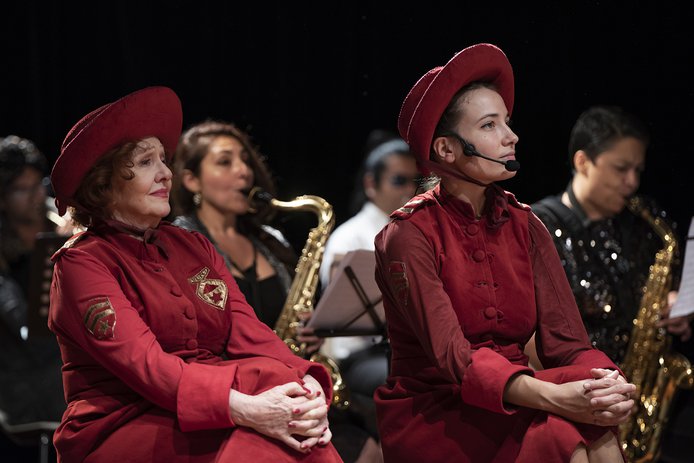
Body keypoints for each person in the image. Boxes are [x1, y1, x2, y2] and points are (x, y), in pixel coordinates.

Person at [372, 43, 637, 463]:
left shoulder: (525, 224)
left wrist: (609, 383)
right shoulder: (408, 234)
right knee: (565, 433)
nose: (511, 136)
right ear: (446, 149)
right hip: (436, 409)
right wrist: (554, 397)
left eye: (507, 122)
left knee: (595, 415)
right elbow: (454, 360)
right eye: (489, 125)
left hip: (521, 392)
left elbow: (568, 344)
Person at [47, 87, 342, 463]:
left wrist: (307, 383)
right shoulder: (81, 263)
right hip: (123, 421)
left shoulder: (192, 245)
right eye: (146, 162)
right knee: (274, 434)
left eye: (164, 160)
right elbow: (147, 367)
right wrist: (247, 409)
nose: (165, 173)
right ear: (102, 183)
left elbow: (248, 331)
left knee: (287, 401)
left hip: (211, 404)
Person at [170, 120, 379, 462]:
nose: (243, 171)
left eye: (245, 160)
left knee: (375, 433)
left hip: (287, 375)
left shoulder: (270, 241)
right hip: (239, 388)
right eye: (225, 162)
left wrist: (308, 332)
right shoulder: (182, 244)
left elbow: (293, 308)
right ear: (192, 180)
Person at [530, 105, 694, 463]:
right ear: (583, 162)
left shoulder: (641, 226)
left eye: (638, 170)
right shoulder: (537, 227)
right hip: (581, 393)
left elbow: (659, 292)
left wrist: (674, 306)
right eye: (621, 168)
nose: (632, 182)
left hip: (642, 391)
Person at [318, 129, 418, 443]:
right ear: (371, 184)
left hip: (396, 350)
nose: (409, 190)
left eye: (414, 182)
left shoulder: (410, 231)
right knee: (416, 379)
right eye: (399, 181)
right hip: (356, 357)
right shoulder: (349, 237)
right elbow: (342, 318)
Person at [0, 135, 69, 462]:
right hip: (24, 373)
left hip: (63, 359)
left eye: (38, 185)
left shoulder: (61, 228)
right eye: (22, 190)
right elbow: (22, 322)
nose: (37, 196)